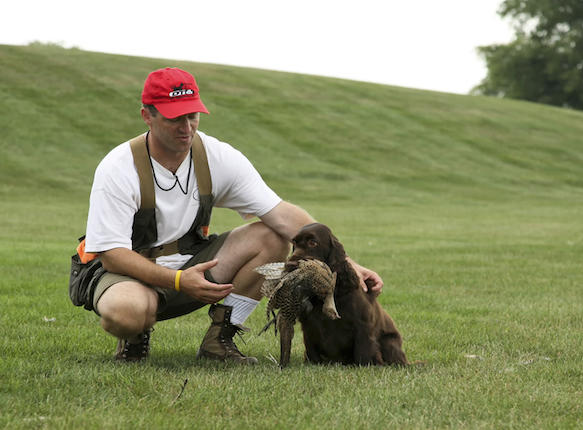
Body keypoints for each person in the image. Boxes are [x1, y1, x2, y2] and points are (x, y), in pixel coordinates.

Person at [81, 67, 383, 363]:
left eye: (192, 115)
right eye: (175, 118)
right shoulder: (118, 167)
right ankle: (134, 337)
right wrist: (177, 280)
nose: (187, 127)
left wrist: (346, 263)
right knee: (126, 312)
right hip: (127, 271)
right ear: (147, 116)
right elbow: (113, 255)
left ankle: (219, 340)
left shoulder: (217, 156)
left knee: (273, 236)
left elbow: (280, 214)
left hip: (191, 264)